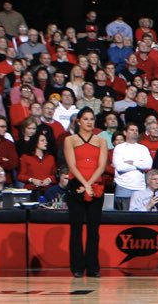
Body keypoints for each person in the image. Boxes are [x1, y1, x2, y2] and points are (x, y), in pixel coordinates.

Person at [63, 108, 108, 277]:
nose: (89, 122)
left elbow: (102, 165)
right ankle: (77, 267)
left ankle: (93, 267)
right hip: (76, 185)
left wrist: (89, 185)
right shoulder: (70, 140)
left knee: (93, 230)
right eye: (86, 119)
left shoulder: (101, 140)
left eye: (92, 119)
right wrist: (83, 184)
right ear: (79, 121)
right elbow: (72, 165)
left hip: (95, 185)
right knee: (76, 229)